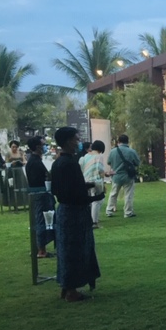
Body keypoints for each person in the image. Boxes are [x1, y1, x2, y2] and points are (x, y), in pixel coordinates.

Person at [51, 127, 104, 302]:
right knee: (76, 250)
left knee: (66, 249)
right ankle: (72, 290)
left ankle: (67, 285)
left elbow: (60, 189)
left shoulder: (58, 163)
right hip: (74, 213)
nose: (78, 142)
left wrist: (87, 185)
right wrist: (95, 197)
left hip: (64, 211)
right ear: (68, 141)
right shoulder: (69, 163)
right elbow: (74, 194)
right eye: (76, 139)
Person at [25, 136, 55, 258]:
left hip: (41, 194)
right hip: (40, 195)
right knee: (42, 220)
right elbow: (38, 179)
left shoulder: (35, 161)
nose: (45, 147)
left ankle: (40, 247)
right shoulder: (34, 162)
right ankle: (41, 249)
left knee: (42, 219)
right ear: (38, 147)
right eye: (43, 145)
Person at [106, 134, 140, 218]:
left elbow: (108, 162)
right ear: (128, 141)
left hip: (116, 175)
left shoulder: (113, 151)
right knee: (128, 194)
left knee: (113, 194)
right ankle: (128, 212)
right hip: (128, 176)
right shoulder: (132, 151)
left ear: (118, 141)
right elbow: (137, 163)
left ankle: (109, 210)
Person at [79, 140, 106, 228]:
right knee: (97, 201)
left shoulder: (85, 156)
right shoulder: (99, 157)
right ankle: (94, 222)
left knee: (89, 201)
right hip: (96, 181)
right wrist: (105, 177)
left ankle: (90, 219)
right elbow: (100, 170)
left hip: (85, 180)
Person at [5, 139, 28, 208]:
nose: (14, 148)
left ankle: (23, 202)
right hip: (11, 171)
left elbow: (24, 161)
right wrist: (11, 163)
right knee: (12, 187)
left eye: (15, 147)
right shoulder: (8, 153)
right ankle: (13, 203)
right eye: (13, 147)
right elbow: (6, 163)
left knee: (21, 186)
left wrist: (22, 162)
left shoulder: (21, 153)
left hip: (19, 171)